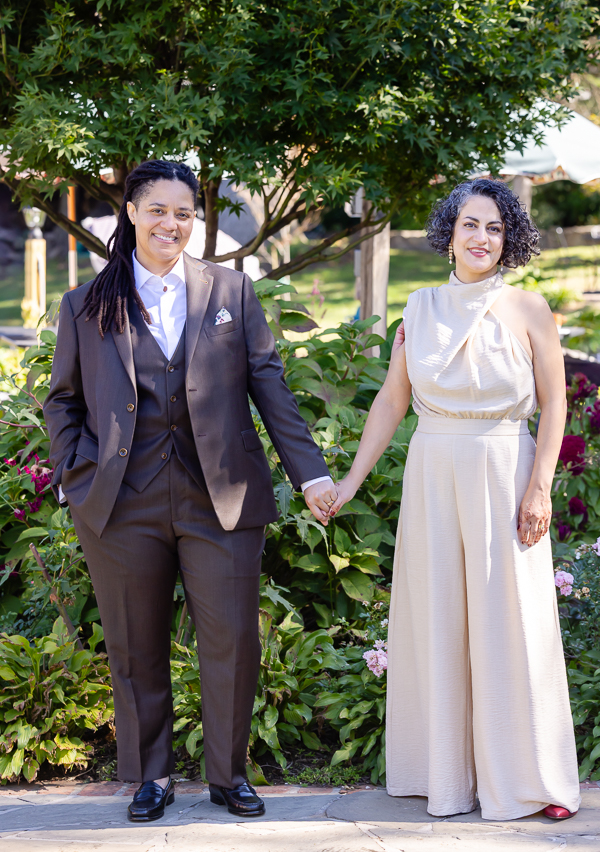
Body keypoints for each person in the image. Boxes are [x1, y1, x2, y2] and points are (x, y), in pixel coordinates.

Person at [43, 160, 338, 822]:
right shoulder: (86, 303)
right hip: (121, 502)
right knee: (135, 642)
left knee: (232, 637)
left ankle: (228, 777)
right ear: (131, 213)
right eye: (157, 210)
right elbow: (62, 401)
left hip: (222, 496)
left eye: (183, 213)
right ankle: (151, 777)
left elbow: (270, 385)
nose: (170, 224)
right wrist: (76, 473)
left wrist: (310, 473)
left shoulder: (231, 290)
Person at [330, 178, 580, 821]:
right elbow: (392, 401)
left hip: (505, 465)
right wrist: (350, 482)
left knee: (513, 621)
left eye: (495, 228)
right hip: (433, 468)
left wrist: (540, 487)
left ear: (509, 240)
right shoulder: (417, 307)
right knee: (439, 618)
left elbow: (555, 405)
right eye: (470, 224)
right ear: (449, 233)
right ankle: (443, 775)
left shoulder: (529, 308)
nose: (481, 238)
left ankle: (533, 779)